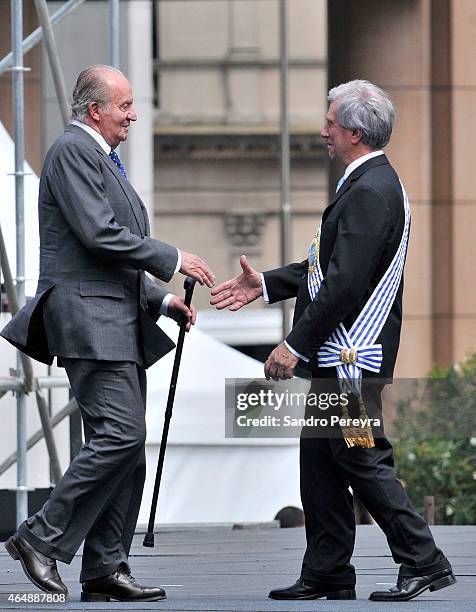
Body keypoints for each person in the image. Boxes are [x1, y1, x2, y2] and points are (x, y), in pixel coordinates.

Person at [211, 80, 456, 602]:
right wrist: (268, 284)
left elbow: (345, 284)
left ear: (355, 132)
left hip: (350, 355)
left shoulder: (369, 190)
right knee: (320, 460)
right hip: (343, 354)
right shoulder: (367, 183)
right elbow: (326, 271)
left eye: (330, 123)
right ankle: (327, 569)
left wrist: (293, 345)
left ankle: (424, 560)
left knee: (361, 456)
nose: (323, 131)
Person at [1, 64, 215, 603]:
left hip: (112, 319)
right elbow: (100, 236)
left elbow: (101, 254)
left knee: (127, 447)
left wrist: (160, 299)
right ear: (95, 110)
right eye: (124, 106)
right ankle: (39, 539)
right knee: (121, 435)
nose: (134, 115)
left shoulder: (98, 157)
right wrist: (173, 258)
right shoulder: (75, 151)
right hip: (88, 323)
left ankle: (105, 567)